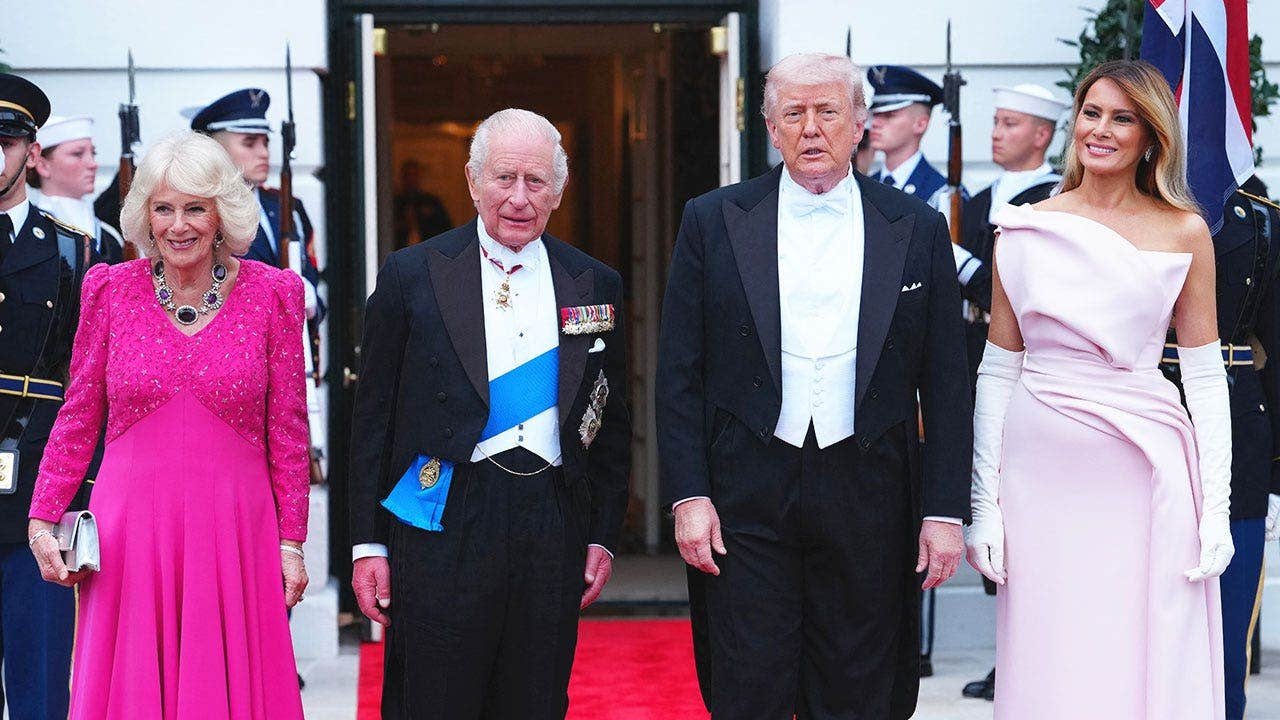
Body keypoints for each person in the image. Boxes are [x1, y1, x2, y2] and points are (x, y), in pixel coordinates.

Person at [657, 53, 972, 719]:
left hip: (872, 488)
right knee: (749, 684)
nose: (810, 128)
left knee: (861, 689)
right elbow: (679, 373)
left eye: (827, 111)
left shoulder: (915, 225)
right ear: (770, 128)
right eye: (793, 113)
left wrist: (945, 511)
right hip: (744, 492)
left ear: (859, 124)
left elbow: (946, 382)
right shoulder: (712, 220)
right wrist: (689, 495)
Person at [348, 108, 631, 719]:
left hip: (550, 518)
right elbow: (372, 420)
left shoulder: (594, 282)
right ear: (473, 181)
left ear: (558, 192)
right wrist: (367, 543)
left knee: (535, 699)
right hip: (442, 514)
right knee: (433, 701)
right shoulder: (412, 275)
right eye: (505, 178)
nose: (519, 198)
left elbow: (611, 421)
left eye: (536, 181)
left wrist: (603, 535)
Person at [969, 60, 1230, 718]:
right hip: (1039, 480)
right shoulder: (1024, 227)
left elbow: (1204, 375)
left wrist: (1217, 510)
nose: (1101, 130)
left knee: (1137, 647)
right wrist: (983, 504)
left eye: (1122, 118)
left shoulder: (1184, 231)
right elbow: (998, 369)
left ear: (1151, 137)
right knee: (1053, 653)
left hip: (1147, 474)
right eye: (1091, 113)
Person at [26, 130, 310, 719]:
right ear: (145, 215)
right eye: (163, 209)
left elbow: (288, 430)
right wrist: (42, 518)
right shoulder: (109, 290)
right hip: (130, 533)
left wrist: (291, 543)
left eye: (195, 209)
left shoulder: (273, 294)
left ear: (221, 213)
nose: (178, 226)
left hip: (235, 529)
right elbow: (78, 414)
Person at [956, 82, 1070, 702]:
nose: (996, 133)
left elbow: (1023, 293)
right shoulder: (974, 200)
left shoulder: (1054, 198)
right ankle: (1010, 654)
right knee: (987, 508)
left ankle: (1032, 656)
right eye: (996, 121)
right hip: (975, 362)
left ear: (1043, 134)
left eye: (1010, 123)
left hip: (1024, 368)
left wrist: (967, 268)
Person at [1158, 176, 1280, 720]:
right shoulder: (1117, 205)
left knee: (1227, 629)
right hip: (1140, 412)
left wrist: (1276, 476)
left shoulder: (1262, 219)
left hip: (1237, 423)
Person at [0, 72, 97, 720]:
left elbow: (87, 385)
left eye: (4, 143)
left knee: (39, 688)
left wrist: (80, 494)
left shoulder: (69, 248)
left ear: (31, 153)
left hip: (35, 490)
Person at [189, 88, 324, 321]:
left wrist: (311, 303)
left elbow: (311, 282)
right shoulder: (199, 213)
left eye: (265, 143)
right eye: (249, 143)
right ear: (216, 150)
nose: (263, 153)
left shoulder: (288, 207)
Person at [27, 115, 125, 264]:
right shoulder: (29, 229)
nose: (93, 164)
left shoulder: (109, 236)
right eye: (77, 154)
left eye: (93, 153)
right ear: (43, 166)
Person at [867, 64, 963, 207]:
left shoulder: (941, 195)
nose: (875, 123)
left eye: (889, 115)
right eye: (875, 115)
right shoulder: (865, 186)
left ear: (920, 124)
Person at [394, 159, 453, 248]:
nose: (411, 179)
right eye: (408, 175)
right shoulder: (394, 204)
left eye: (414, 175)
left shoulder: (431, 203)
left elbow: (446, 229)